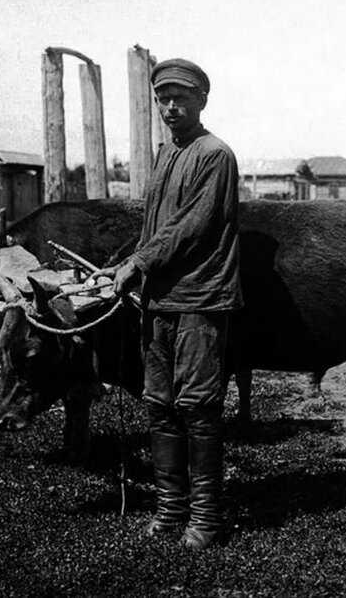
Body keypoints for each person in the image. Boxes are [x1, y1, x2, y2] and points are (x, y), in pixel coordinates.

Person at [93, 58, 241, 548]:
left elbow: (194, 225)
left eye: (181, 98)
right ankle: (170, 509)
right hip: (159, 300)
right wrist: (131, 263)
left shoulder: (214, 154)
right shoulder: (165, 155)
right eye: (163, 98)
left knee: (198, 407)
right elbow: (154, 226)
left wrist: (140, 262)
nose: (171, 107)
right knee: (159, 405)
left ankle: (206, 518)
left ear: (202, 100)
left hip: (201, 297)